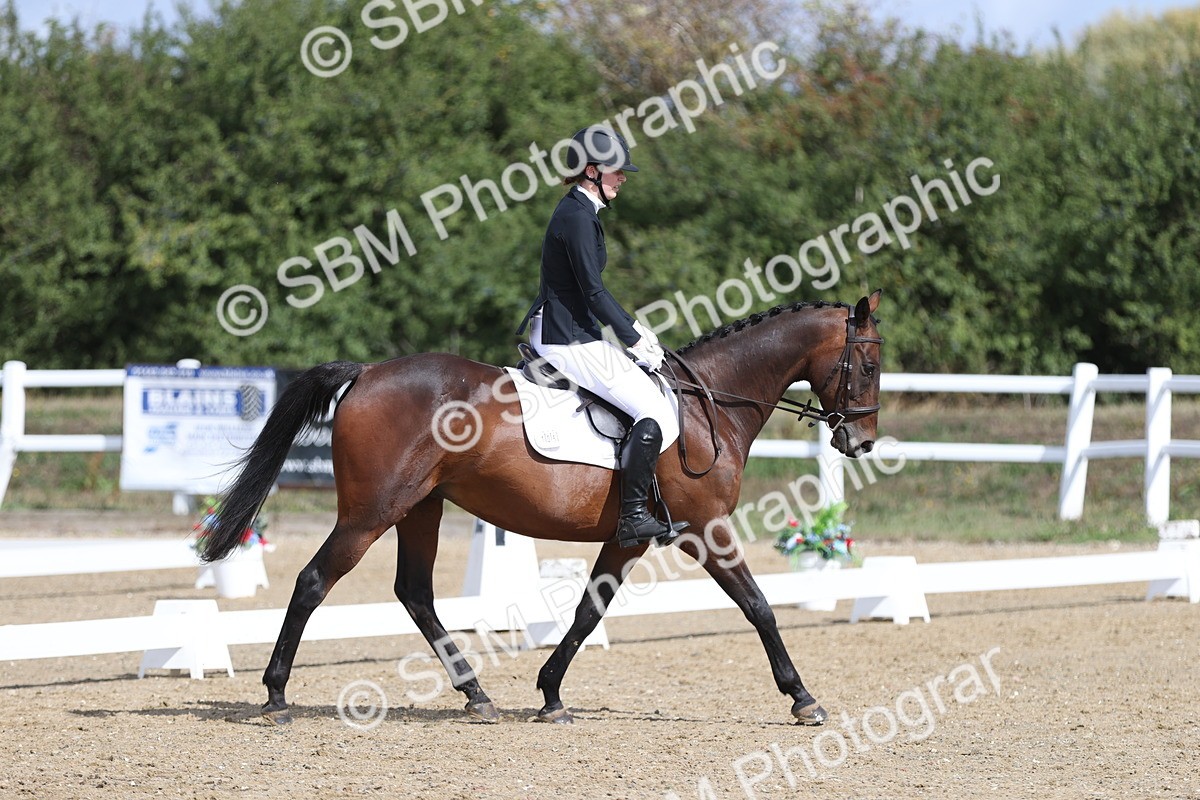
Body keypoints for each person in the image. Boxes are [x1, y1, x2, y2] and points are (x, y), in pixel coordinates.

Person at [516, 126, 686, 548]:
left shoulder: (581, 212)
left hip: (574, 330)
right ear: (591, 171)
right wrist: (633, 338)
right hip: (566, 336)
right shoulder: (576, 217)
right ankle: (632, 517)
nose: (623, 177)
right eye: (616, 171)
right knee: (654, 411)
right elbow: (593, 291)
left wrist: (633, 331)